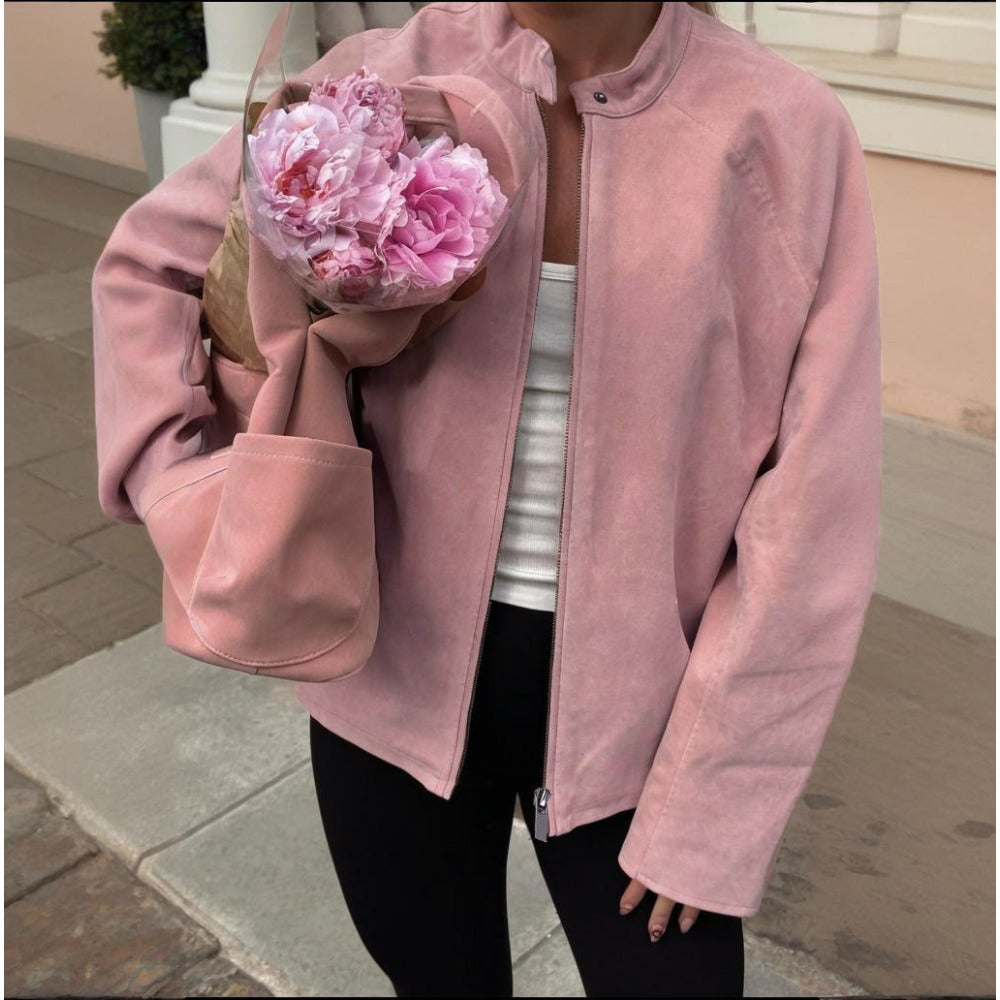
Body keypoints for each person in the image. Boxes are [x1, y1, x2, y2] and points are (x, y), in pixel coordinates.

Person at [92, 2, 882, 997]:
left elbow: (813, 513)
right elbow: (146, 266)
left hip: (644, 729)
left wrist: (713, 803)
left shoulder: (787, 131)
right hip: (388, 690)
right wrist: (184, 486)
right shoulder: (381, 80)